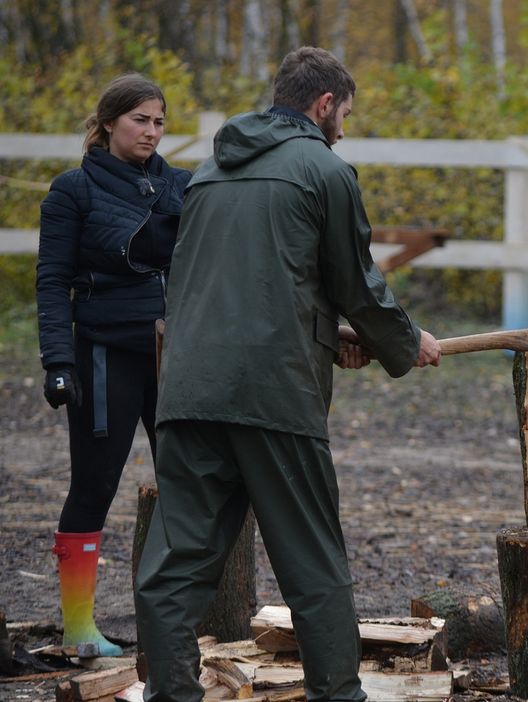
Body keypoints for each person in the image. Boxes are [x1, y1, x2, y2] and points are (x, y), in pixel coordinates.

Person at [134, 46, 442, 702]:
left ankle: (170, 693)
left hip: (188, 391)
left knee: (173, 567)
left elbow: (243, 286)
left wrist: (329, 338)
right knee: (312, 564)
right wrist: (404, 341)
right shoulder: (324, 170)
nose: (344, 129)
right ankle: (338, 695)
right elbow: (358, 285)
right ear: (324, 104)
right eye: (345, 114)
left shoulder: (209, 174)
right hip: (274, 397)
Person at [36, 74, 191, 658]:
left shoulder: (182, 185)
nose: (152, 131)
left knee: (188, 483)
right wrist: (58, 360)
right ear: (107, 123)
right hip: (103, 356)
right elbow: (52, 281)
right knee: (94, 484)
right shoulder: (72, 190)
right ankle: (78, 628)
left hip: (173, 356)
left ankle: (176, 625)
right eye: (140, 120)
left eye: (159, 121)